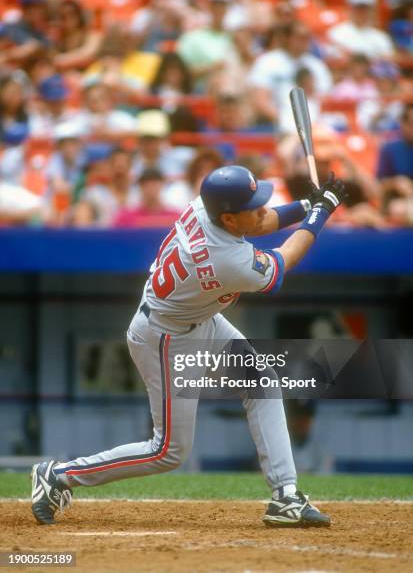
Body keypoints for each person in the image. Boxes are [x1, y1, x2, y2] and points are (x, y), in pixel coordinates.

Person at [31, 163, 348, 527]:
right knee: (168, 451)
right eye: (253, 203)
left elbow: (257, 221)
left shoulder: (207, 206)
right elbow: (283, 261)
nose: (262, 207)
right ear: (228, 218)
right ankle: (58, 475)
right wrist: (320, 212)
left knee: (262, 382)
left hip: (200, 319)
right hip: (167, 337)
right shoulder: (226, 259)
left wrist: (306, 205)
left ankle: (285, 497)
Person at [248, 21, 332, 133]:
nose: (305, 41)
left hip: (312, 121)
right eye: (300, 37)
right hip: (275, 123)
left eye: (307, 37)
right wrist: (285, 120)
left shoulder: (316, 66)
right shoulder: (268, 62)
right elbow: (259, 99)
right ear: (287, 38)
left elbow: (324, 97)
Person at [327, 0, 394, 60]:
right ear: (350, 9)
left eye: (365, 8)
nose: (362, 12)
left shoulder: (381, 37)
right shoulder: (336, 33)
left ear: (372, 10)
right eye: (358, 8)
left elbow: (387, 63)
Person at [376, 103, 413, 225]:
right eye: (411, 123)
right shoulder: (390, 149)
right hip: (397, 201)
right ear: (403, 124)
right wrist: (396, 182)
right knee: (399, 209)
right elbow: (379, 184)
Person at [113, 169, 180, 228]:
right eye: (146, 185)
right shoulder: (125, 217)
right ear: (140, 186)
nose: (151, 188)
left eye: (154, 184)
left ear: (162, 184)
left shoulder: (176, 216)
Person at [54, 0, 102, 72]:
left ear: (80, 16)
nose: (68, 19)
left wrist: (59, 60)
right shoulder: (59, 39)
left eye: (71, 14)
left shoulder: (92, 35)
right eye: (63, 16)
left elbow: (88, 55)